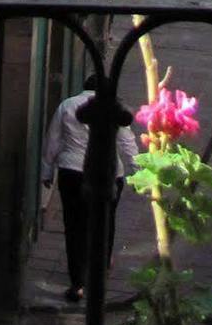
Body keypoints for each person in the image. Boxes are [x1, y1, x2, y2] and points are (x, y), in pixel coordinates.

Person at [40, 75, 139, 301]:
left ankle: (77, 283)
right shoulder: (113, 107)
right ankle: (101, 270)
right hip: (108, 172)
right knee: (106, 221)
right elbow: (126, 141)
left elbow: (53, 140)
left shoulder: (67, 105)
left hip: (71, 171)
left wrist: (47, 171)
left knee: (74, 226)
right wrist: (139, 170)